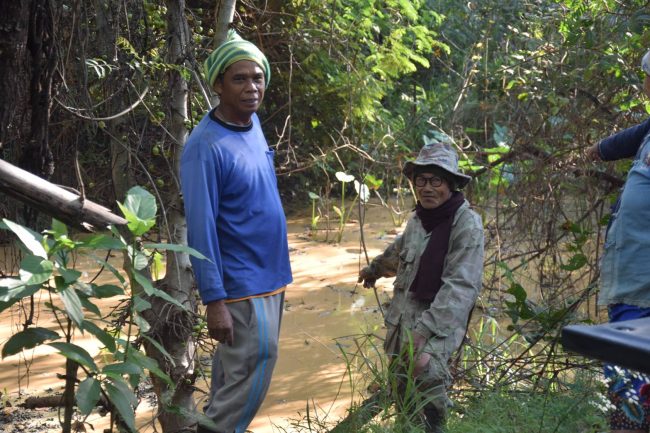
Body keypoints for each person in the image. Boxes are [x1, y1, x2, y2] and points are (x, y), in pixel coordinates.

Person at [180, 29, 292, 433]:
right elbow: (201, 226)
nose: (251, 88)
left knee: (233, 380)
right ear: (218, 85)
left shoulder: (253, 123)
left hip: (271, 276)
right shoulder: (205, 146)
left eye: (257, 77)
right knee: (253, 373)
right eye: (239, 79)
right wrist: (214, 300)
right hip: (241, 284)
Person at [358, 139, 484, 433]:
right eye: (421, 180)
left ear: (451, 184)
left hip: (437, 324)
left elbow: (461, 286)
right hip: (404, 319)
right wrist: (375, 269)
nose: (427, 188)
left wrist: (424, 333)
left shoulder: (466, 225)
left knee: (427, 380)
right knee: (402, 393)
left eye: (436, 180)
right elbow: (399, 253)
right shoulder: (419, 219)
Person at [587, 49, 650, 433]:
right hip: (632, 284)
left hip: (644, 287)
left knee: (635, 393)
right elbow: (630, 137)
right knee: (627, 390)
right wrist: (599, 149)